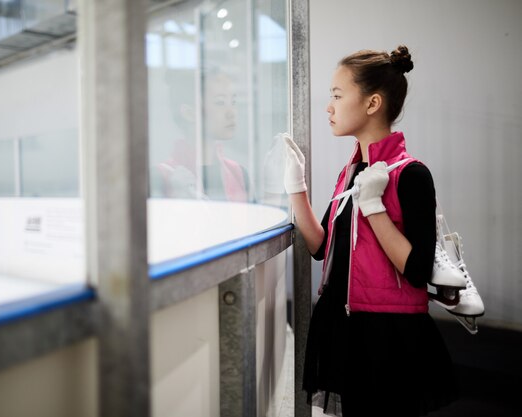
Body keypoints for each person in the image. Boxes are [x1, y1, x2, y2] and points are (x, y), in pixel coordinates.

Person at [282, 46, 458, 416]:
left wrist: (374, 208)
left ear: (372, 102)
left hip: (386, 333)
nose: (328, 106)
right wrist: (296, 187)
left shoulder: (411, 174)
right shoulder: (351, 173)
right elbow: (320, 247)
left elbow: (416, 269)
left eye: (337, 95)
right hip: (344, 323)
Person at [151, 69, 250, 202]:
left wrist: (272, 191)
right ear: (189, 113)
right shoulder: (161, 177)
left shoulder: (239, 174)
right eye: (220, 102)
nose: (232, 112)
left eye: (233, 102)